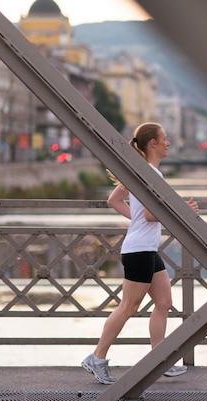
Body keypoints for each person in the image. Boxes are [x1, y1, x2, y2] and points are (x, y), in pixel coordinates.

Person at [81, 122, 199, 385]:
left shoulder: (142, 171)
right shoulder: (150, 174)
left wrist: (135, 220)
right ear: (153, 143)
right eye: (165, 139)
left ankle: (159, 361)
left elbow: (115, 201)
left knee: (164, 303)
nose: (168, 143)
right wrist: (183, 211)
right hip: (139, 251)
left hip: (147, 249)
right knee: (128, 308)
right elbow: (148, 213)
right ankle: (96, 358)